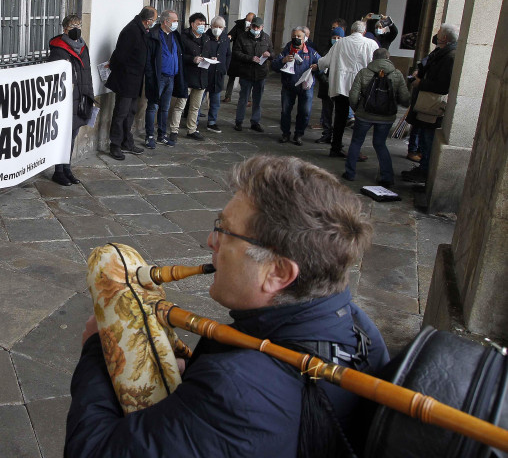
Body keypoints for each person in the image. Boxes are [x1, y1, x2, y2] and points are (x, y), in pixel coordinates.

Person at [66, 155, 389, 458]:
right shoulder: (360, 328)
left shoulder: (233, 393)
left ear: (277, 272)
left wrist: (102, 347)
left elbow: (92, 450)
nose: (211, 241)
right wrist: (189, 385)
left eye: (225, 231)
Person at [344, 48, 411, 186]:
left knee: (356, 142)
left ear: (373, 58)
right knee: (380, 144)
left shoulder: (364, 72)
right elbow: (405, 98)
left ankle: (350, 173)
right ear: (388, 57)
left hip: (364, 115)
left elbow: (353, 95)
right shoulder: (397, 74)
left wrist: (357, 109)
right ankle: (387, 176)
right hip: (386, 117)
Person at [402, 24, 458, 185]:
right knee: (424, 138)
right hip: (426, 103)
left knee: (427, 140)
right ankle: (422, 169)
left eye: (439, 32)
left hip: (431, 105)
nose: (436, 34)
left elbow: (443, 86)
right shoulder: (442, 52)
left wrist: (421, 82)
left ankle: (424, 171)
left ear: (444, 38)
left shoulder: (449, 56)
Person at [318, 21, 378, 158]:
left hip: (341, 86)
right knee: (360, 120)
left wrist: (317, 64)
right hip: (361, 87)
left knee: (340, 118)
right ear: (363, 32)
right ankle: (355, 150)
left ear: (351, 31)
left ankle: (335, 147)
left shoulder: (340, 43)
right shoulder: (371, 44)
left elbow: (325, 62)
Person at [46, 14, 94, 186]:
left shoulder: (82, 46)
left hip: (80, 97)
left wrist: (89, 94)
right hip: (66, 100)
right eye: (73, 26)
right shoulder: (58, 49)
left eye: (79, 25)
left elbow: (86, 71)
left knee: (72, 135)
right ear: (65, 29)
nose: (77, 29)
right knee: (64, 136)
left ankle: (67, 168)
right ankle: (58, 171)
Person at [105, 7, 155, 160]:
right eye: (154, 20)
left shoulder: (142, 30)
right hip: (126, 79)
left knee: (131, 112)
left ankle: (127, 141)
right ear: (148, 21)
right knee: (121, 113)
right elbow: (120, 56)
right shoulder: (131, 30)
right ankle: (115, 145)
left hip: (135, 80)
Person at [175, 15, 231, 136]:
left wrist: (213, 59)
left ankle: (194, 128)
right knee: (182, 105)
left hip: (205, 76)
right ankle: (174, 130)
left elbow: (224, 54)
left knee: (201, 104)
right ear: (192, 24)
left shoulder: (208, 39)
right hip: (190, 76)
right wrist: (192, 59)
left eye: (203, 24)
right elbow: (179, 55)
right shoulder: (185, 37)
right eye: (199, 23)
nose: (201, 26)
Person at [144, 10, 186, 148]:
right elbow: (149, 59)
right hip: (158, 77)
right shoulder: (154, 35)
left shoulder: (174, 35)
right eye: (174, 21)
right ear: (165, 21)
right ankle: (149, 136)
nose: (176, 23)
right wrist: (151, 76)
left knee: (165, 107)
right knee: (153, 106)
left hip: (171, 77)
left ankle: (162, 135)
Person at [271, 26, 320, 145]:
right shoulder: (286, 51)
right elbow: (274, 66)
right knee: (286, 111)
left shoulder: (311, 52)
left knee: (305, 111)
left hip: (305, 87)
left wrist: (317, 67)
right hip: (289, 85)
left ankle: (299, 134)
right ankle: (285, 133)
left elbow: (321, 65)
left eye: (299, 36)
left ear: (304, 39)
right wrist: (283, 61)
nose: (296, 38)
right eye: (294, 36)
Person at [231, 16, 273, 132]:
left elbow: (272, 52)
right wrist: (250, 58)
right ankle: (239, 121)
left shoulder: (266, 38)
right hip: (246, 72)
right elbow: (236, 52)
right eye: (253, 26)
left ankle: (255, 122)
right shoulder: (242, 37)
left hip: (260, 74)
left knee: (257, 99)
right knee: (243, 98)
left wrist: (269, 55)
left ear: (262, 27)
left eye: (257, 27)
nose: (255, 28)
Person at [314, 25, 345, 144]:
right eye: (334, 37)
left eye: (339, 37)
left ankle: (337, 137)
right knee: (326, 112)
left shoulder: (345, 51)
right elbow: (320, 67)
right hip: (326, 86)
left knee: (339, 113)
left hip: (339, 87)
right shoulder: (325, 50)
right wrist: (325, 80)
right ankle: (326, 134)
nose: (336, 40)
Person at [222, 11, 255, 103]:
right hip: (237, 54)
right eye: (247, 19)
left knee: (246, 79)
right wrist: (229, 37)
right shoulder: (239, 25)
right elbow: (231, 35)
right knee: (232, 76)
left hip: (247, 56)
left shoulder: (255, 28)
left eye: (250, 20)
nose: (248, 21)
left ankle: (248, 99)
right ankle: (228, 96)